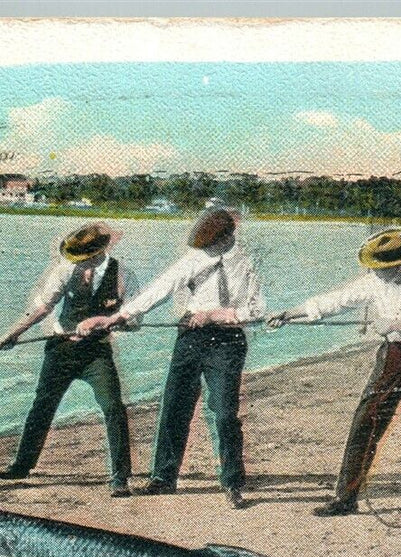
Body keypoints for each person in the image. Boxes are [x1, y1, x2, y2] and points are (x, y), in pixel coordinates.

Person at [76, 208, 263, 507]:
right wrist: (117, 317)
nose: (207, 251)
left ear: (228, 238)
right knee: (175, 405)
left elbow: (257, 311)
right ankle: (164, 476)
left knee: (225, 412)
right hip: (190, 337)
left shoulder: (246, 263)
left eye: (213, 245)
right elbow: (158, 290)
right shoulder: (193, 260)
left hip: (228, 342)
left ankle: (232, 481)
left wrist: (216, 314)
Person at [266, 227, 401, 518]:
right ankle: (345, 499)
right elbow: (337, 300)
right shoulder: (375, 281)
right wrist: (289, 313)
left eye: (382, 269)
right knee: (364, 423)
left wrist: (395, 323)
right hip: (392, 357)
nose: (376, 274)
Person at [0, 222, 138, 497]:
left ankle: (121, 477)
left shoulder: (123, 276)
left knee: (113, 407)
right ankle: (22, 466)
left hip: (96, 353)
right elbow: (43, 307)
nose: (82, 264)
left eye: (87, 258)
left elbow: (135, 320)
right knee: (42, 406)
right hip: (61, 350)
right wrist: (13, 333)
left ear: (101, 251)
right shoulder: (63, 271)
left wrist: (104, 322)